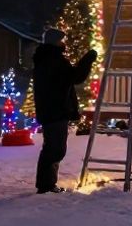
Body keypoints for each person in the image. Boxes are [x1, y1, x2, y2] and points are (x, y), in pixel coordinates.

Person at [32, 28, 98, 193]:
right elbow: (75, 77)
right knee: (55, 148)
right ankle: (46, 185)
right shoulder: (53, 60)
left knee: (53, 147)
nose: (64, 43)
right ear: (55, 42)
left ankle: (46, 184)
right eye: (61, 40)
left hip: (51, 110)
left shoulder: (46, 59)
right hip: (55, 110)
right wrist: (87, 59)